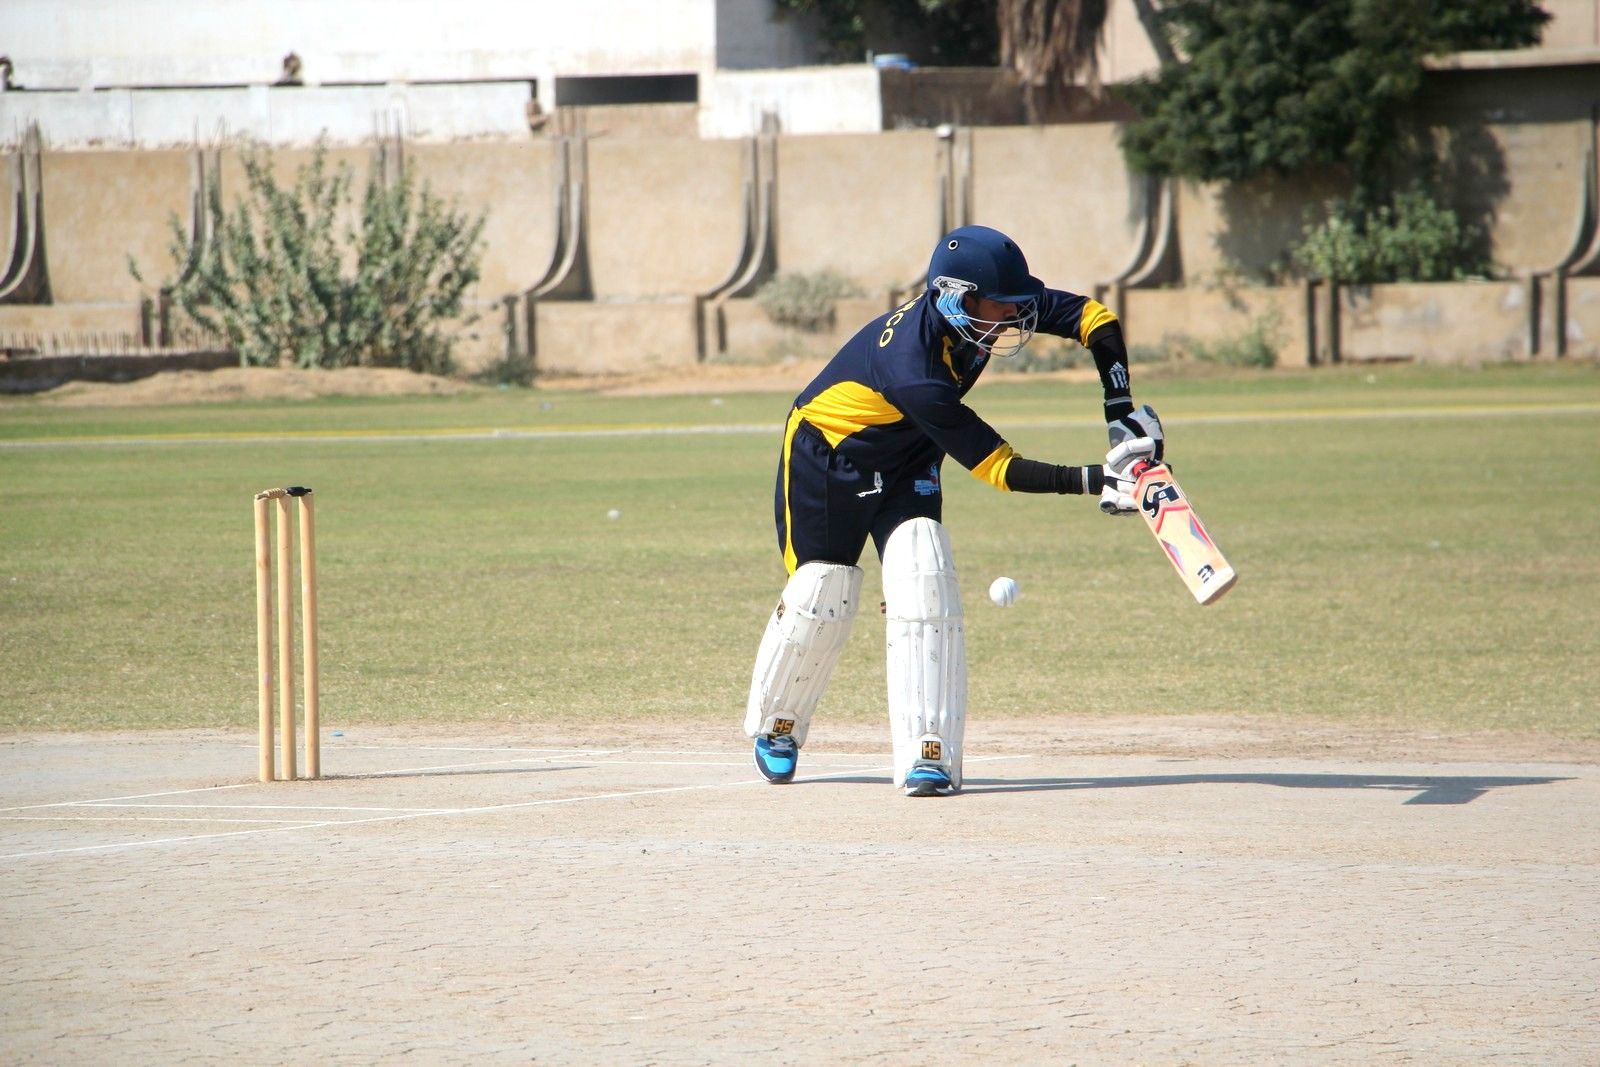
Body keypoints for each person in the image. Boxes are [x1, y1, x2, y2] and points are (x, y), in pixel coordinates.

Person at [742, 224, 1165, 797]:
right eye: (1003, 305)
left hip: (910, 449)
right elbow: (1001, 468)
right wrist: (1099, 481)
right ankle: (779, 724)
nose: (1016, 317)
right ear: (956, 297)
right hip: (829, 456)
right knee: (823, 592)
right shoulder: (913, 369)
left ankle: (929, 753)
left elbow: (1094, 319)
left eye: (1019, 303)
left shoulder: (989, 307)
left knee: (924, 572)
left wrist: (1120, 409)